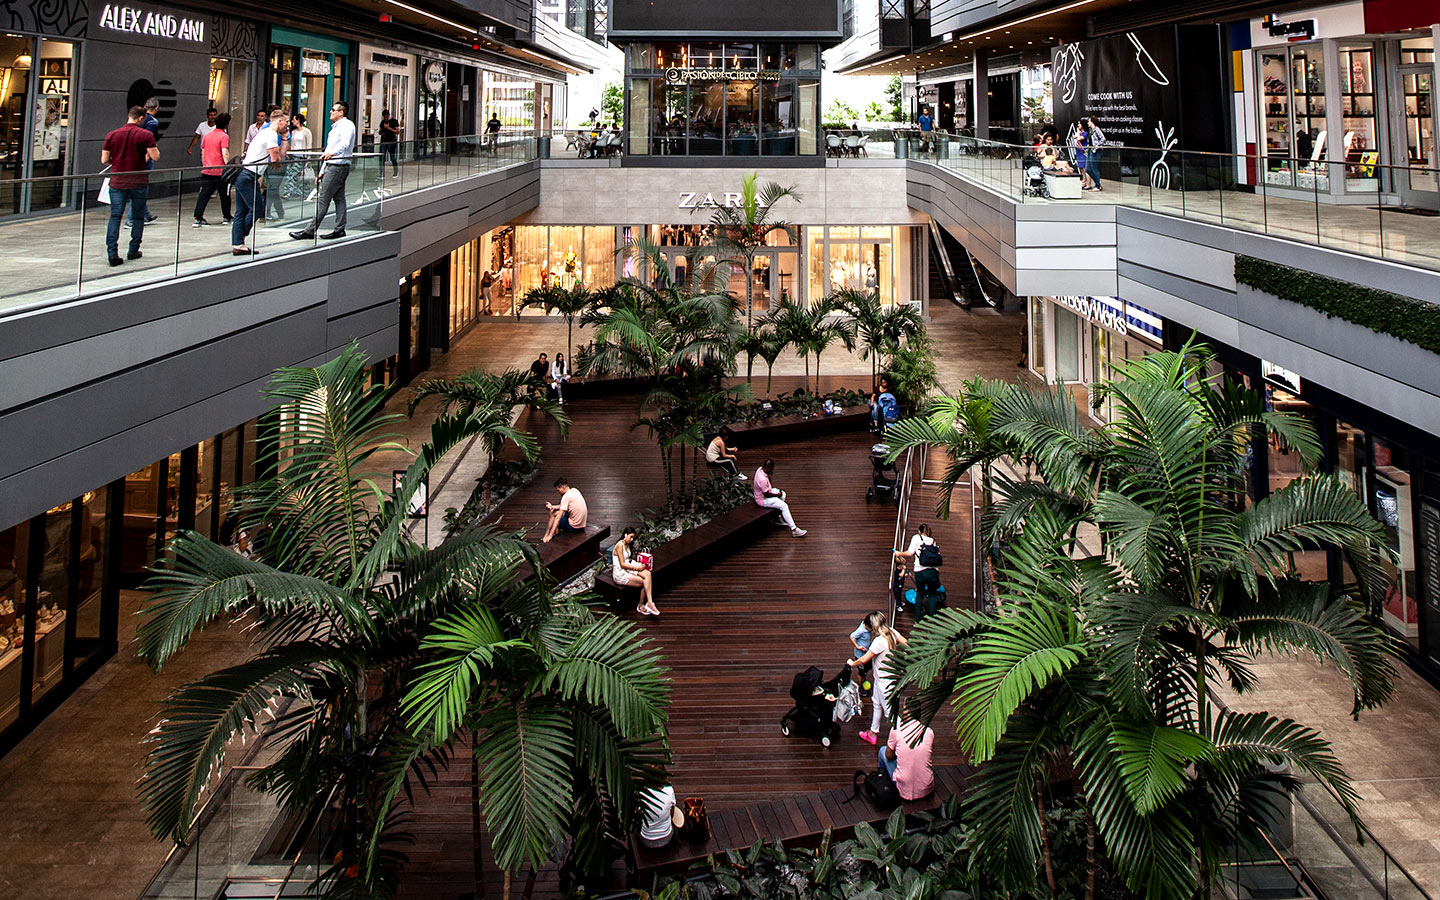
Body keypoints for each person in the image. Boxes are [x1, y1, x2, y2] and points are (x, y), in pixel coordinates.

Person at [101, 106, 160, 267]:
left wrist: (118, 162)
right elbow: (155, 155)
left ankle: (112, 253)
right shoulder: (145, 135)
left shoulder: (112, 135)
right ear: (140, 118)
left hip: (117, 180)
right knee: (138, 216)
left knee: (115, 216)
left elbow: (104, 159)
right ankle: (133, 249)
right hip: (138, 180)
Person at [289, 101, 355, 241]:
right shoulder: (336, 127)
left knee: (323, 199)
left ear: (341, 112)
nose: (330, 112)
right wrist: (322, 170)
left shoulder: (347, 125)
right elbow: (328, 149)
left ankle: (310, 230)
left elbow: (344, 144)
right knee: (339, 198)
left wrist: (332, 155)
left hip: (338, 165)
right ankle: (339, 228)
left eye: (333, 110)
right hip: (334, 165)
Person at [847, 610, 907, 745]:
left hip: (883, 682)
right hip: (887, 677)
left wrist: (852, 663)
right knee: (876, 704)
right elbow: (905, 643)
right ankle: (873, 732)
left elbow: (864, 659)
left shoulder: (879, 641)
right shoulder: (892, 632)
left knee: (890, 714)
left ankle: (905, 738)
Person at [233, 109, 287, 255]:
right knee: (257, 208)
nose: (287, 125)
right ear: (279, 121)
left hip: (246, 174)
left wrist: (285, 138)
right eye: (286, 122)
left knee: (242, 211)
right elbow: (276, 158)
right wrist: (278, 161)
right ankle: (241, 237)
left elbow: (277, 157)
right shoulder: (270, 134)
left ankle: (238, 244)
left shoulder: (264, 132)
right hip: (249, 176)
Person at [881, 702, 935, 801]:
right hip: (926, 786)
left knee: (882, 751)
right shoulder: (929, 732)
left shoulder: (896, 730)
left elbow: (888, 755)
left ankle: (881, 778)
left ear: (906, 713)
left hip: (903, 788)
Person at [893, 523, 942, 621]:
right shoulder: (932, 541)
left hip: (920, 570)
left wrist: (899, 553)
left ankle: (918, 618)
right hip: (933, 571)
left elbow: (910, 553)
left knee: (920, 594)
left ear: (919, 531)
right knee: (932, 594)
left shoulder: (916, 538)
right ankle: (933, 618)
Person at [193, 112, 232, 227]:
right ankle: (227, 216)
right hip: (220, 171)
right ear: (226, 125)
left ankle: (198, 217)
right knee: (224, 195)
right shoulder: (224, 136)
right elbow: (224, 153)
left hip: (207, 170)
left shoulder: (207, 136)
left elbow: (203, 153)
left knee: (203, 195)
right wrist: (228, 167)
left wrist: (205, 165)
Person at [612, 526, 659, 616]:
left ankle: (650, 603)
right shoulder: (619, 545)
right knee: (644, 582)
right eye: (631, 537)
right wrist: (636, 568)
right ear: (625, 535)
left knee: (647, 574)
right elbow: (622, 564)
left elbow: (628, 560)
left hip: (628, 568)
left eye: (633, 537)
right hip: (620, 573)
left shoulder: (627, 544)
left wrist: (638, 565)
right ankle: (640, 605)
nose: (632, 539)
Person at [753, 459, 806, 538]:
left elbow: (769, 486)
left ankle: (777, 517)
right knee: (784, 506)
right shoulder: (762, 480)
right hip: (763, 499)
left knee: (783, 494)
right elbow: (767, 494)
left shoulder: (760, 469)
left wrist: (770, 476)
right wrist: (777, 495)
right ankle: (794, 529)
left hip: (765, 492)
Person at [542, 477, 588, 543]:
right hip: (582, 524)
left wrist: (550, 535)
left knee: (553, 515)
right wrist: (552, 506)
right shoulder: (575, 490)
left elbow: (558, 518)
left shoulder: (566, 496)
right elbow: (565, 506)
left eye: (558, 490)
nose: (558, 492)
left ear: (563, 487)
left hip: (574, 526)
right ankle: (549, 535)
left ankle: (549, 536)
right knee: (554, 511)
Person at [1084, 116, 1105, 192]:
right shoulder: (1090, 130)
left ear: (1092, 122)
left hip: (1096, 151)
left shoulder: (1097, 129)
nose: (1088, 123)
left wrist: (1097, 146)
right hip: (1090, 150)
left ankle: (1097, 185)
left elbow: (1103, 139)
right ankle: (1097, 182)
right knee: (1088, 169)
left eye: (1089, 121)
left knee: (1094, 168)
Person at [379, 108, 400, 175]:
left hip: (391, 141)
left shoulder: (394, 121)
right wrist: (382, 131)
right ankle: (382, 173)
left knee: (392, 157)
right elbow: (380, 131)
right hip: (384, 141)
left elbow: (397, 131)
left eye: (387, 116)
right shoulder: (383, 122)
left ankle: (395, 171)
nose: (386, 117)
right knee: (382, 158)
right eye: (384, 116)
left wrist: (389, 128)